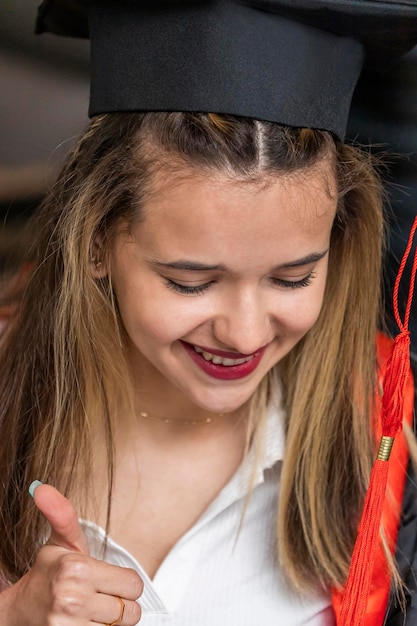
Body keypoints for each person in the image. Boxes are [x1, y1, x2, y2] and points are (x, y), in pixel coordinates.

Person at [0, 1, 417, 625]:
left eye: (293, 277)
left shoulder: (389, 439)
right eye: (191, 282)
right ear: (94, 244)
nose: (245, 333)